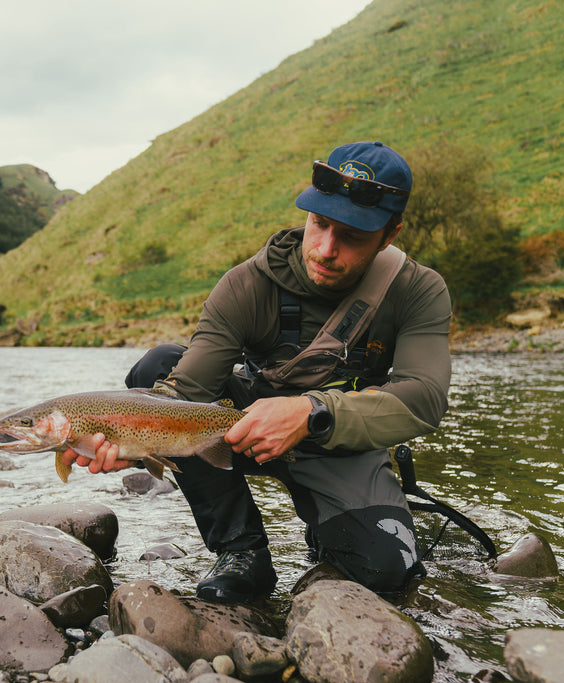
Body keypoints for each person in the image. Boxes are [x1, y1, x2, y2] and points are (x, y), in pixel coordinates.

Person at [61, 141, 452, 604]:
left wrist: (309, 412)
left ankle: (330, 530)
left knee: (387, 572)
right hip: (239, 429)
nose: (326, 249)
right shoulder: (247, 283)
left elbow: (424, 397)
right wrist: (131, 440)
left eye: (352, 236)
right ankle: (241, 552)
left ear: (390, 234)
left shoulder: (418, 290)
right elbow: (183, 390)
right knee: (158, 364)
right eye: (319, 224)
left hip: (341, 440)